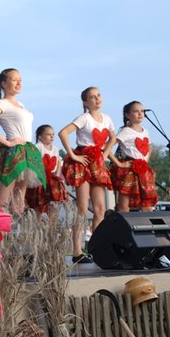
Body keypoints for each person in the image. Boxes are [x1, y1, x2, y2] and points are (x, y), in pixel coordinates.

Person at [58, 86, 116, 263]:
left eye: (98, 95)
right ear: (85, 102)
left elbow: (113, 137)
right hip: (83, 162)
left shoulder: (107, 119)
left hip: (97, 163)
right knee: (82, 208)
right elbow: (63, 133)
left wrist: (104, 155)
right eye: (92, 97)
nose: (97, 99)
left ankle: (94, 248)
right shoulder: (84, 118)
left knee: (99, 209)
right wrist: (73, 155)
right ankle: (76, 251)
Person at [0, 68, 46, 215]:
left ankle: (15, 235)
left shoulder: (21, 105)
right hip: (12, 151)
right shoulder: (2, 103)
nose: (19, 82)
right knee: (3, 200)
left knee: (19, 201)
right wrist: (8, 142)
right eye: (14, 79)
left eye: (20, 80)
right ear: (4, 84)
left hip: (26, 151)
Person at [109, 101, 158, 212]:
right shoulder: (126, 131)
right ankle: (123, 228)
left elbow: (149, 147)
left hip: (143, 170)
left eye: (142, 111)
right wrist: (119, 163)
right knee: (124, 205)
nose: (140, 114)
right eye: (136, 111)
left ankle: (146, 228)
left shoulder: (145, 131)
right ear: (127, 115)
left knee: (147, 204)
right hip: (129, 170)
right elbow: (107, 147)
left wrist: (145, 161)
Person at [25, 125, 68, 214]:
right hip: (40, 179)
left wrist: (57, 175)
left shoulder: (55, 149)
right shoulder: (38, 147)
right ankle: (37, 225)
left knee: (53, 205)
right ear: (40, 137)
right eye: (48, 134)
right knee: (38, 205)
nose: (52, 137)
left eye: (53, 134)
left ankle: (51, 225)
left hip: (52, 179)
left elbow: (58, 162)